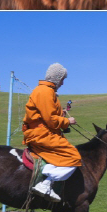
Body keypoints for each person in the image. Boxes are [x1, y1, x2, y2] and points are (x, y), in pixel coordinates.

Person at [22, 63, 81, 202]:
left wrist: (62, 113)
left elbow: (49, 114)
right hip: (41, 134)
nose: (62, 83)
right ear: (56, 77)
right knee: (74, 157)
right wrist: (68, 122)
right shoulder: (45, 92)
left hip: (45, 133)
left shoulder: (46, 91)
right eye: (62, 79)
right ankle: (46, 183)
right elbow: (50, 120)